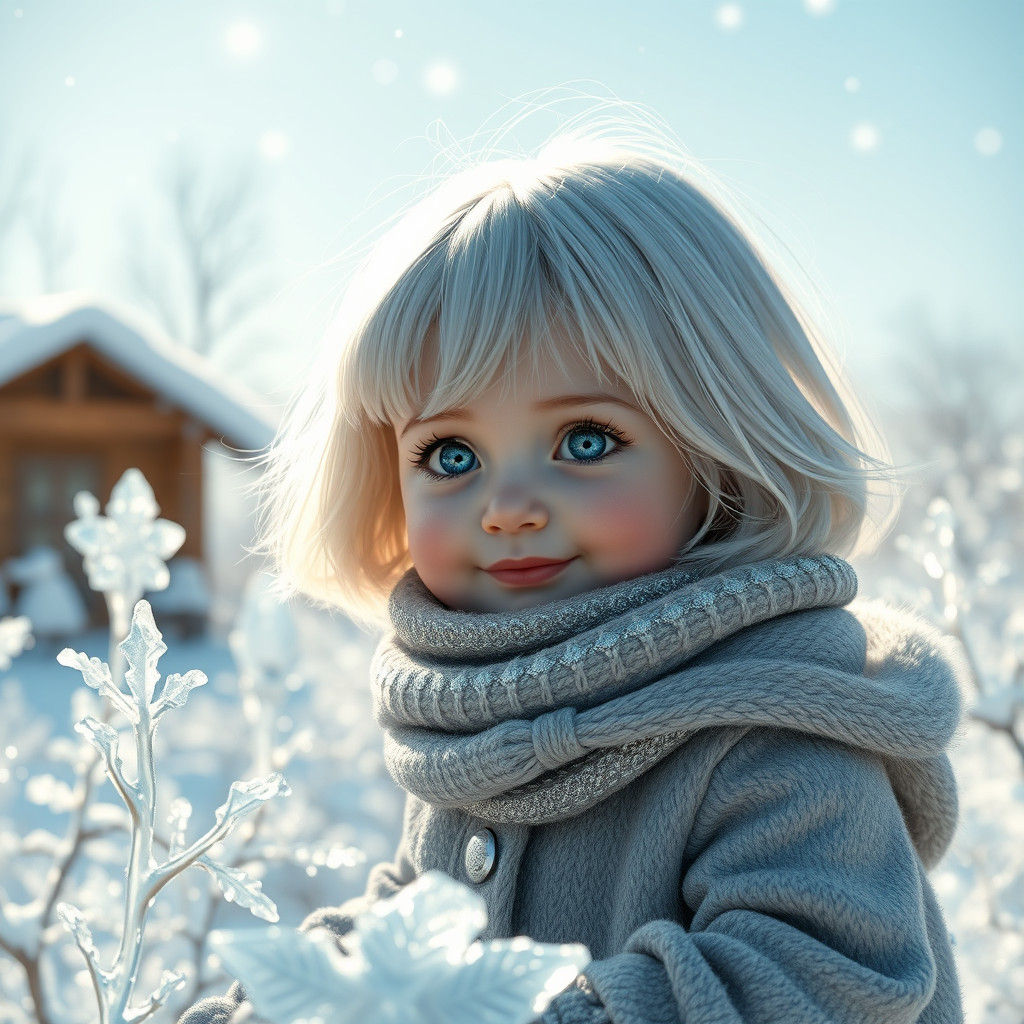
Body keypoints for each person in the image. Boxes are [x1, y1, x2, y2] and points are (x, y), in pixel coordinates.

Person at [179, 112, 968, 1023]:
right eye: (450, 456)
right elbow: (417, 921)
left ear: (714, 455)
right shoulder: (476, 721)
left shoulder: (772, 731)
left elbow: (823, 976)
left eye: (585, 440)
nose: (507, 504)